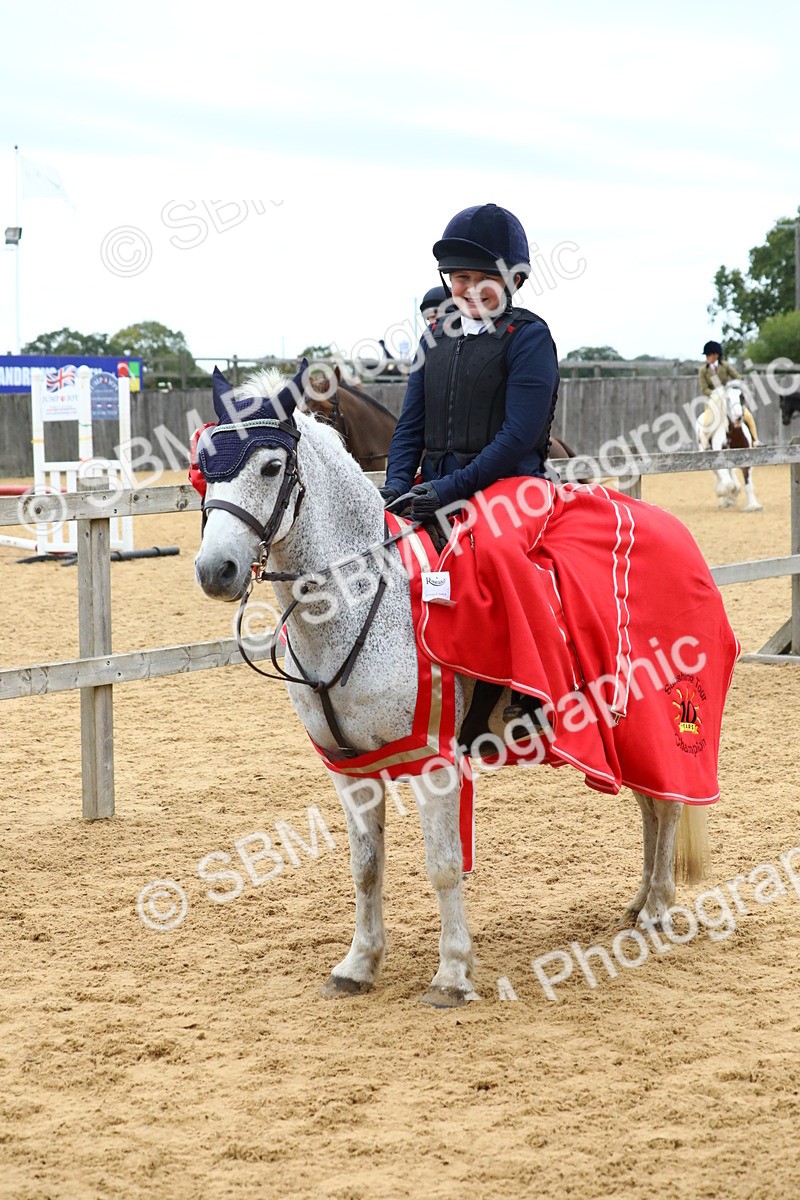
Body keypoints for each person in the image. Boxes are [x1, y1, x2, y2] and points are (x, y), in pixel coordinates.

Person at [379, 203, 560, 521]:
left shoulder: (531, 338)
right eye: (462, 277)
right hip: (434, 490)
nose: (473, 289)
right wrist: (396, 484)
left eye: (486, 279)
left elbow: (518, 436)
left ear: (514, 280)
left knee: (494, 550)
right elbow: (409, 426)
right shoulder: (433, 336)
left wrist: (450, 489)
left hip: (509, 492)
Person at [699, 340, 759, 443]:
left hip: (728, 398)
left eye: (709, 354)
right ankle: (705, 445)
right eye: (706, 355)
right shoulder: (703, 370)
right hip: (714, 401)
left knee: (748, 416)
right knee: (705, 422)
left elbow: (738, 378)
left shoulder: (725, 366)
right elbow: (704, 389)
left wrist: (734, 387)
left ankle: (755, 440)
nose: (707, 357)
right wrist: (716, 393)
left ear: (716, 355)